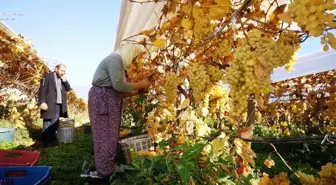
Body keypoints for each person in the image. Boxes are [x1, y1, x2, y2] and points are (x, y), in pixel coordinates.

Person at [87, 43, 150, 179]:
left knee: (109, 135)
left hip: (107, 99)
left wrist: (137, 92)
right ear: (130, 53)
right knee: (105, 135)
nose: (134, 62)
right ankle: (104, 173)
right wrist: (140, 84)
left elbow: (118, 91)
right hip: (103, 100)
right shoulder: (115, 59)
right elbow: (118, 85)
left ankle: (107, 168)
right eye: (134, 58)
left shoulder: (119, 64)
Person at [38, 64, 72, 148]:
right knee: (47, 123)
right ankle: (47, 143)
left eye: (64, 71)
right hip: (48, 104)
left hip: (58, 105)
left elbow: (68, 88)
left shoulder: (62, 79)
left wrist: (64, 80)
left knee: (54, 124)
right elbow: (42, 89)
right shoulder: (47, 76)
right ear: (56, 69)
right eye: (61, 70)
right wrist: (42, 102)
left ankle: (47, 141)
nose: (63, 72)